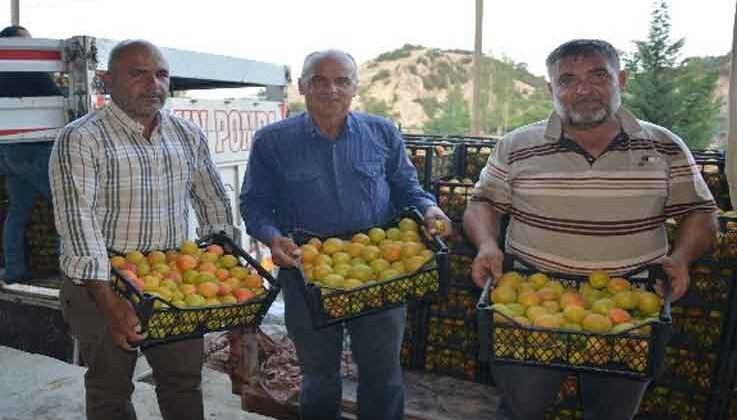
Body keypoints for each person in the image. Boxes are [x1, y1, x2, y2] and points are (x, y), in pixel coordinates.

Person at [463, 39, 718, 420]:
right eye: (567, 79)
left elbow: (700, 212)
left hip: (631, 306)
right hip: (531, 303)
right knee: (522, 410)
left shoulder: (664, 146)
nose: (583, 90)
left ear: (622, 79)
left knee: (612, 413)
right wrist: (486, 244)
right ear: (552, 90)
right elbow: (482, 202)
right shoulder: (517, 145)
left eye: (598, 75)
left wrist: (681, 259)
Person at [240, 49, 451, 420]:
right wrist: (273, 238)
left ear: (355, 87)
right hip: (306, 273)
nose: (330, 89)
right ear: (302, 86)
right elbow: (255, 204)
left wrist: (429, 209)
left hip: (379, 272)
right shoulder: (272, 141)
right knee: (319, 377)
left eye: (341, 80)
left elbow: (408, 190)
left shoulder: (382, 132)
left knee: (382, 376)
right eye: (319, 80)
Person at [49, 39, 238, 420]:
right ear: (106, 81)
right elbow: (79, 225)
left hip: (171, 281)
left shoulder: (187, 135)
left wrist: (228, 273)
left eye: (161, 74)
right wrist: (111, 304)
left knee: (182, 381)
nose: (153, 84)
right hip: (100, 282)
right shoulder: (82, 137)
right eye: (138, 74)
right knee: (110, 389)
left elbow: (213, 202)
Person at [0, 25, 61, 285]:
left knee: (17, 211)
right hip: (36, 147)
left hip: (8, 151)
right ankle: (67, 273)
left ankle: (14, 271)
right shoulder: (28, 67)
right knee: (65, 208)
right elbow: (59, 98)